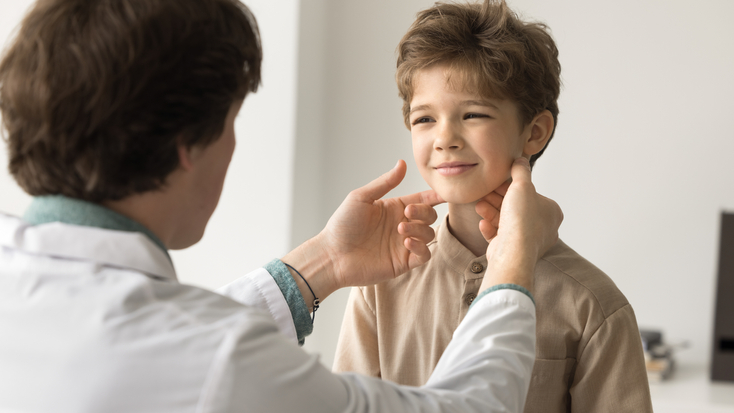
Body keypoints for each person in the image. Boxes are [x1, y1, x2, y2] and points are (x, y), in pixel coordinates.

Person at [0, 0, 562, 412]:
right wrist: (513, 264)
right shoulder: (216, 359)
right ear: (186, 146)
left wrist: (325, 262)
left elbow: (146, 335)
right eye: (230, 123)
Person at [333, 1, 653, 412]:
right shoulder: (380, 284)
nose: (444, 138)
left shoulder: (593, 306)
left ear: (534, 132)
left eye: (473, 114)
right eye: (424, 119)